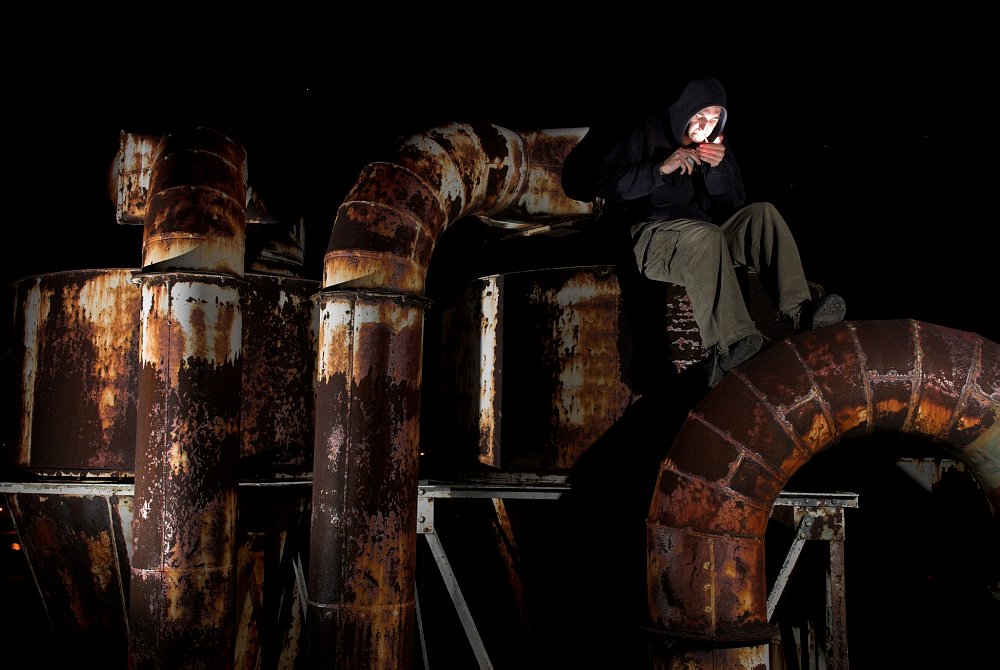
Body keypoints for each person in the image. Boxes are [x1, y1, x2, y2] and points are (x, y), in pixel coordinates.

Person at [562, 76, 846, 387]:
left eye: (713, 119)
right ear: (683, 111)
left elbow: (733, 204)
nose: (705, 125)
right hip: (651, 236)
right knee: (705, 236)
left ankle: (800, 311)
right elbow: (587, 182)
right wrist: (659, 170)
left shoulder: (714, 146)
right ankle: (732, 342)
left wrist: (719, 170)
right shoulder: (642, 129)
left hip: (702, 233)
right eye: (699, 116)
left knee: (762, 213)